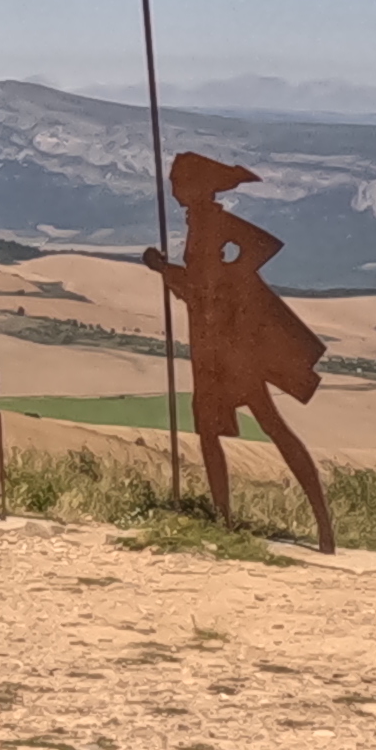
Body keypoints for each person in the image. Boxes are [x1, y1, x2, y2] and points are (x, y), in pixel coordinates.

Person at [153, 150, 334, 549]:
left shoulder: (215, 221)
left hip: (227, 345)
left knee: (268, 423)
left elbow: (261, 246)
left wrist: (227, 280)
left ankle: (318, 522)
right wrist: (168, 271)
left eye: (178, 182)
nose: (174, 189)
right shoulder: (199, 224)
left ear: (196, 187)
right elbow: (198, 287)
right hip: (210, 341)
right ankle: (224, 519)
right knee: (210, 427)